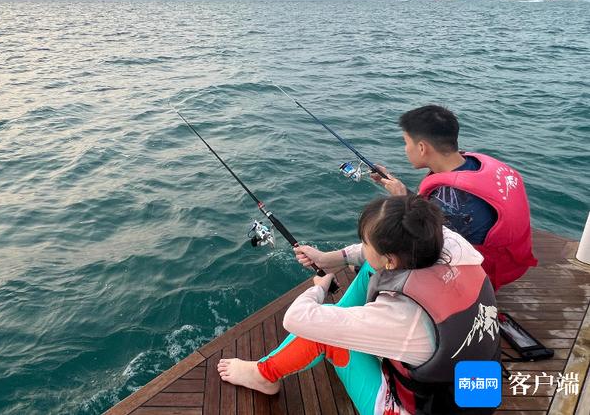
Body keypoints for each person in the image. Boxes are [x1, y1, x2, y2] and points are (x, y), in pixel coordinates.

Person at [218, 195, 500, 415]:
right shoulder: (450, 244)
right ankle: (346, 318)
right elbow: (376, 259)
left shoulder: (404, 316)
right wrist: (333, 258)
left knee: (325, 336)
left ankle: (263, 375)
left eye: (366, 242)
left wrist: (318, 289)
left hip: (421, 407)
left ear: (390, 258)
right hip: (474, 394)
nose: (362, 246)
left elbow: (296, 319)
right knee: (370, 272)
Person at [370, 105, 537, 290]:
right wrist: (400, 189)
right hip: (514, 259)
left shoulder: (452, 202)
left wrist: (401, 200)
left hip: (486, 274)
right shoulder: (473, 164)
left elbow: (424, 242)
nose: (405, 149)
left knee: (383, 260)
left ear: (422, 147)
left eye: (406, 143)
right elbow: (438, 208)